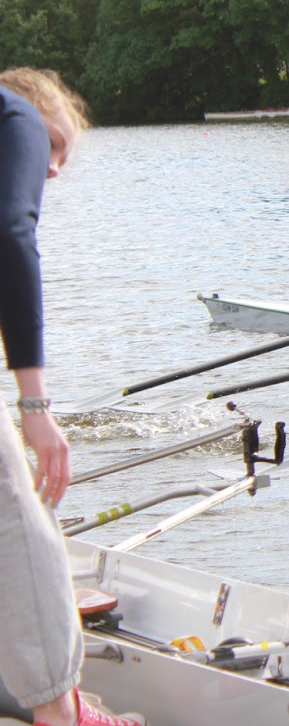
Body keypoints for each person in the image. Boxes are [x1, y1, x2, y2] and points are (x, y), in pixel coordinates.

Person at [0, 69, 143, 726]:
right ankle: (62, 711)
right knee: (20, 522)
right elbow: (13, 236)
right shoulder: (15, 114)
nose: (53, 167)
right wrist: (35, 407)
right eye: (56, 145)